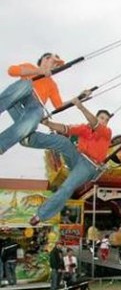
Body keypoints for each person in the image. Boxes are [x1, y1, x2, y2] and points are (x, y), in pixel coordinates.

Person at [24, 96, 111, 225]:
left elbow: (95, 124)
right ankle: (30, 139)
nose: (104, 121)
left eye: (107, 120)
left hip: (89, 166)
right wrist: (48, 123)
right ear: (97, 116)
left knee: (67, 187)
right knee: (63, 141)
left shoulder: (106, 132)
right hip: (77, 158)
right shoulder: (85, 128)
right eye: (102, 118)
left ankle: (40, 215)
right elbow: (66, 129)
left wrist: (81, 107)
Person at [0, 53, 70, 155]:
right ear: (45, 59)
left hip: (33, 104)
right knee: (27, 85)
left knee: (38, 112)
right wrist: (38, 71)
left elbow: (59, 105)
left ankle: (2, 144)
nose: (56, 66)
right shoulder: (30, 67)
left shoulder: (52, 84)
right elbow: (11, 71)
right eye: (54, 62)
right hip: (19, 94)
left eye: (57, 65)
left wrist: (77, 99)